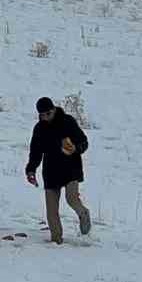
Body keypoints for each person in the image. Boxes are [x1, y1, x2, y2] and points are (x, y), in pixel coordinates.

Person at [26, 96, 92, 244]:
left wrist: (76, 148)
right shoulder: (39, 128)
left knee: (71, 198)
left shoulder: (67, 121)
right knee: (51, 210)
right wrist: (31, 170)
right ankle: (56, 240)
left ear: (54, 109)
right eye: (42, 115)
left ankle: (83, 213)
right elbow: (35, 152)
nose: (45, 117)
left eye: (48, 113)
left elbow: (84, 142)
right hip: (51, 171)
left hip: (71, 168)